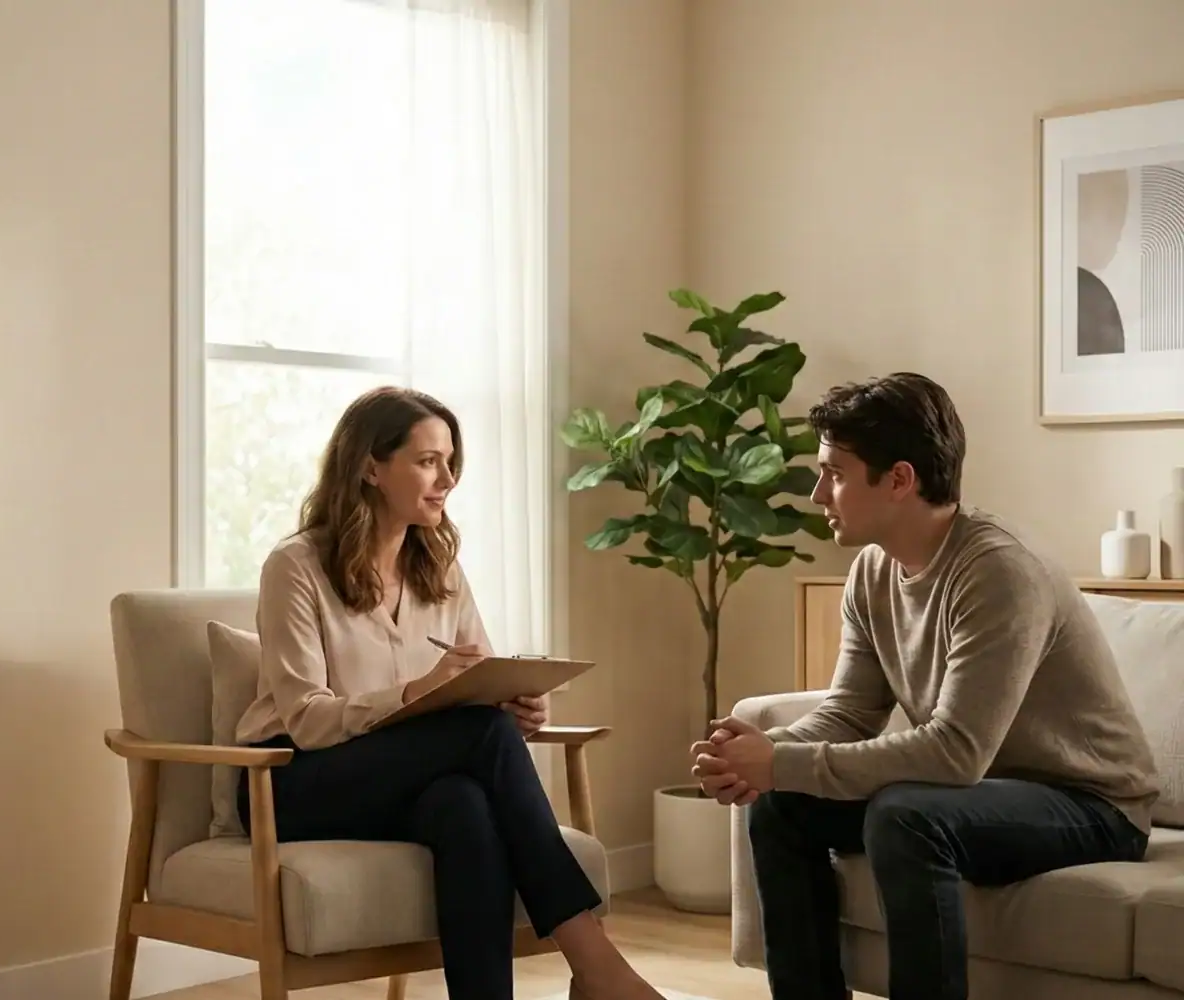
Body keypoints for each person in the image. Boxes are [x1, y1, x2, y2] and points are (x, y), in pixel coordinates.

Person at [690, 372, 1159, 1000]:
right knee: (782, 805)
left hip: (1091, 804)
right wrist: (764, 755)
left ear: (900, 479)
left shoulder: (997, 572)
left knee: (905, 816)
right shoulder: (871, 571)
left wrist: (784, 760)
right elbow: (851, 711)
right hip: (991, 791)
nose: (815, 492)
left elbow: (954, 752)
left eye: (833, 472)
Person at [233, 386, 664, 1000]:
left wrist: (515, 705)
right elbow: (306, 720)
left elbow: (474, 684)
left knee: (464, 806)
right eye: (428, 460)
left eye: (450, 461)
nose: (447, 478)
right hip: (289, 779)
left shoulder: (438, 566)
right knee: (477, 743)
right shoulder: (296, 567)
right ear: (370, 467)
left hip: (400, 774)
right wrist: (420, 692)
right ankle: (594, 962)